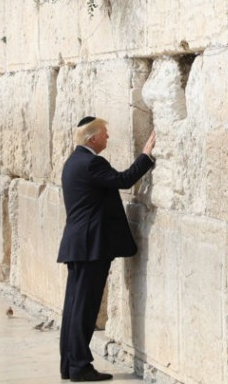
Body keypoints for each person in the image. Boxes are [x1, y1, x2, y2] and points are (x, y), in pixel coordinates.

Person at [57, 116, 156, 382]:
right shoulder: (91, 163)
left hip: (77, 244)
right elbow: (123, 180)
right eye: (105, 133)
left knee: (74, 306)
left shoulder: (73, 162)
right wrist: (146, 155)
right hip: (91, 246)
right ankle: (79, 366)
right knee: (85, 307)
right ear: (92, 138)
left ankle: (70, 364)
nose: (108, 138)